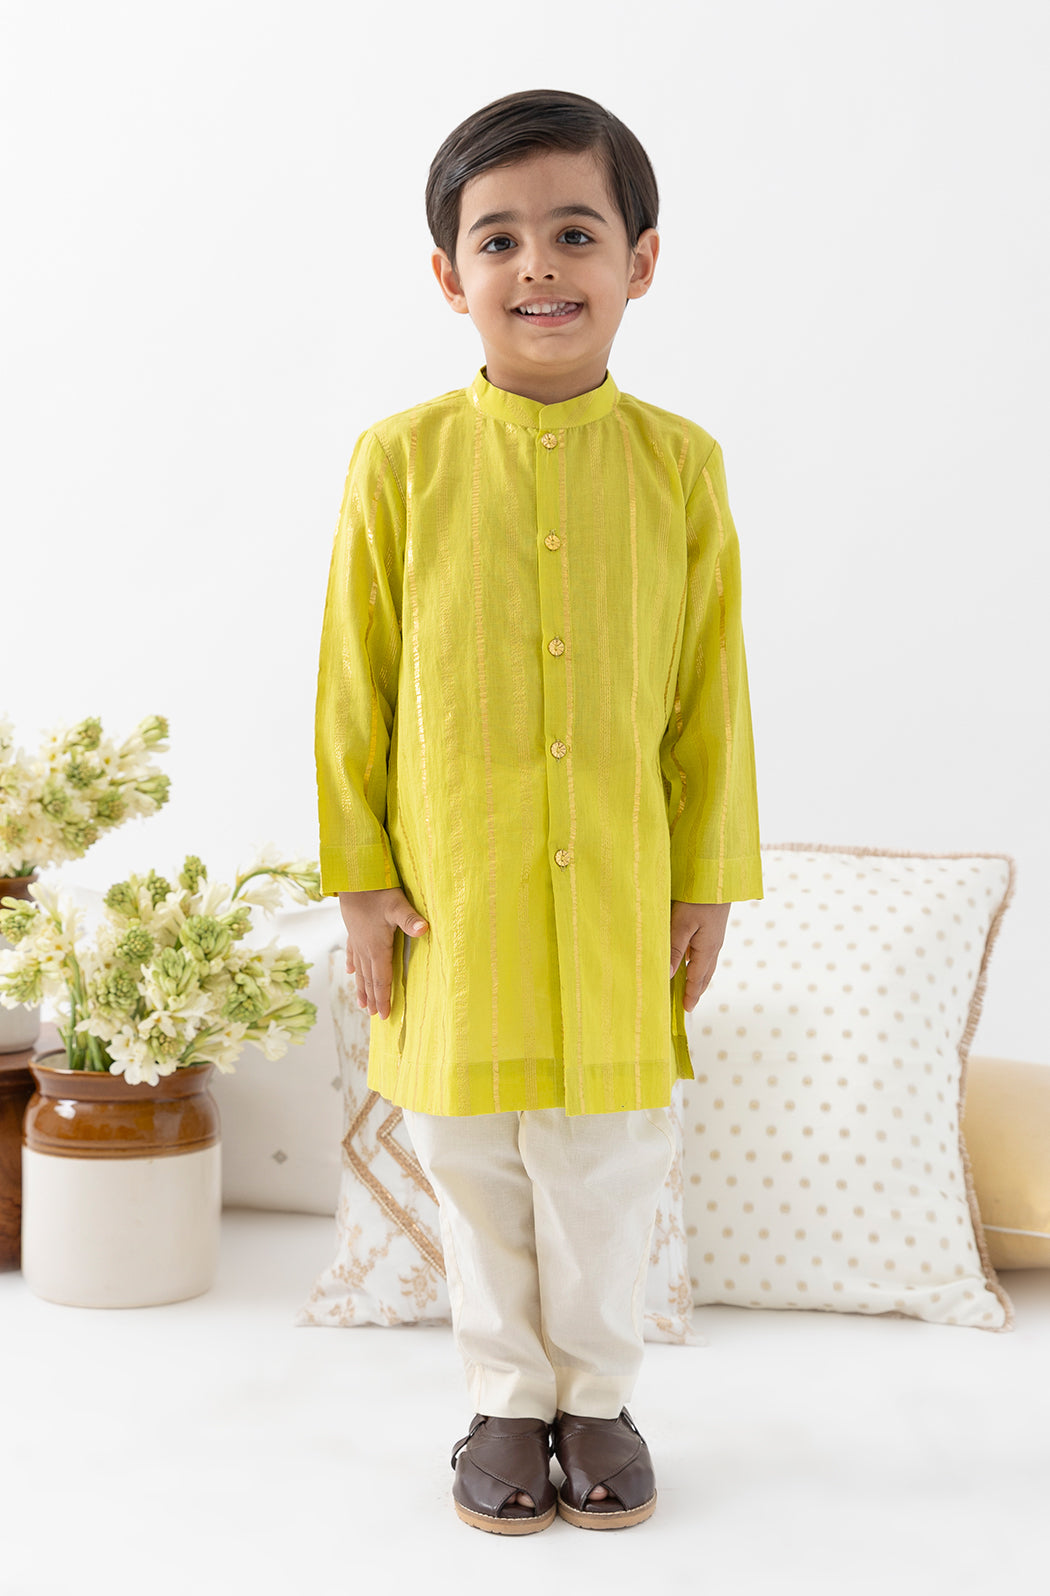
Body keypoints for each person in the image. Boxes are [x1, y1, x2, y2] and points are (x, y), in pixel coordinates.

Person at [314, 87, 762, 1534]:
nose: (538, 267)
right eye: (497, 239)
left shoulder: (680, 466)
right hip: (454, 892)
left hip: (623, 887)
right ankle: (506, 1399)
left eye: (575, 232)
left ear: (641, 259)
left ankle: (598, 1399)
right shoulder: (400, 461)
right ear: (451, 277)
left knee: (605, 1159)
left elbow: (710, 694)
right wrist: (360, 879)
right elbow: (354, 687)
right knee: (468, 1149)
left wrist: (705, 879)